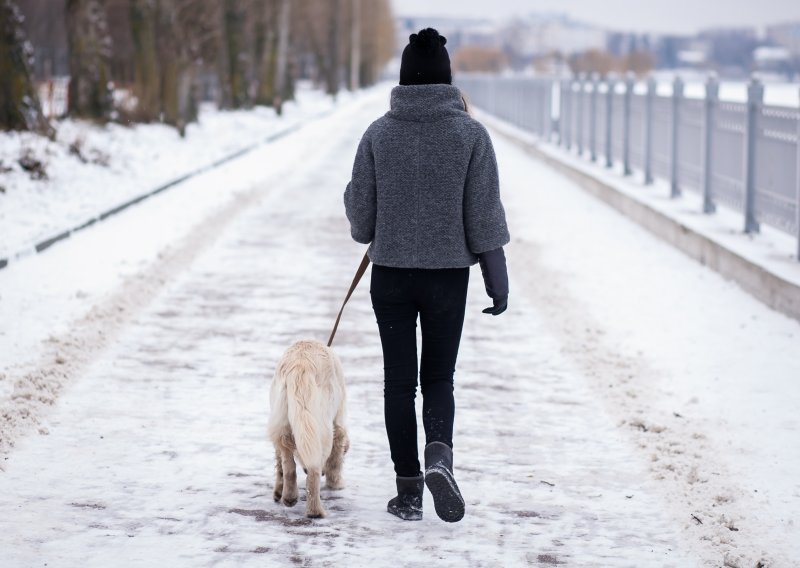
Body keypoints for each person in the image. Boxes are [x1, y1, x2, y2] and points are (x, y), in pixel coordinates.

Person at [343, 28, 510, 523]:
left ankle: (409, 491)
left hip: (390, 276)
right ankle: (440, 457)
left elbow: (360, 223)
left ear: (403, 80)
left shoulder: (378, 133)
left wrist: (356, 203)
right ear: (447, 80)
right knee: (439, 377)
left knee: (399, 382)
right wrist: (497, 284)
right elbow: (484, 217)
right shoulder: (471, 134)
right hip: (447, 280)